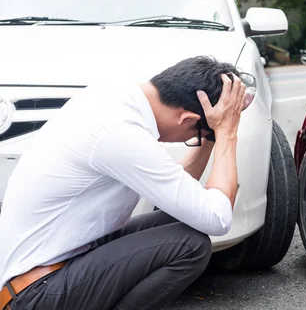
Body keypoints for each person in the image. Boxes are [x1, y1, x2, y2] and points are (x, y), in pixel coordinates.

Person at [0, 56, 248, 310]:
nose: (197, 139)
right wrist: (226, 133)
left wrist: (211, 134)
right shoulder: (119, 133)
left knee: (177, 221)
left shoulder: (113, 100)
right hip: (36, 294)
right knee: (191, 246)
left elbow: (178, 196)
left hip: (50, 269)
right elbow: (217, 218)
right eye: (196, 135)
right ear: (186, 119)